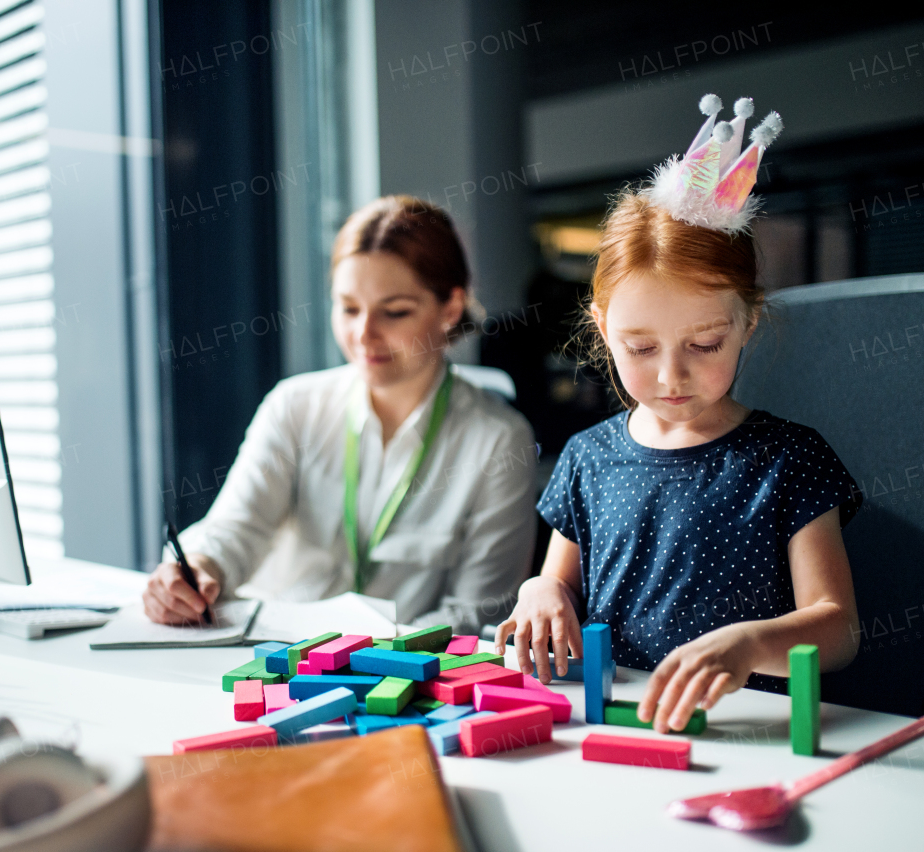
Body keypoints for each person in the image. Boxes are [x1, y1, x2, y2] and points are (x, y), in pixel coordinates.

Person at [495, 96, 862, 734]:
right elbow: (556, 586)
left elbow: (838, 628)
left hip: (749, 729)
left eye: (704, 345)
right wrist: (538, 593)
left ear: (748, 322)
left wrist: (749, 645)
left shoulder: (790, 460)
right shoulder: (587, 458)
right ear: (603, 328)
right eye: (640, 348)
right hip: (613, 722)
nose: (671, 375)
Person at [143, 195, 537, 633]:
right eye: (348, 308)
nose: (363, 334)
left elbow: (479, 614)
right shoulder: (294, 406)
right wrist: (196, 569)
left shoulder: (499, 441)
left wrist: (365, 657)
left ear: (450, 308)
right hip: (272, 658)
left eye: (395, 311)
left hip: (396, 678)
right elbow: (236, 528)